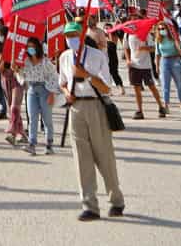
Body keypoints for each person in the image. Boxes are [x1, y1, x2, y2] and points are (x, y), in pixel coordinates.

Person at [59, 20, 124, 221]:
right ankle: (89, 205)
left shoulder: (97, 56)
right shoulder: (64, 57)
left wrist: (86, 75)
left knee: (104, 156)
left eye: (74, 35)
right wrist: (66, 94)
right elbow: (62, 82)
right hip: (76, 107)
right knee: (81, 158)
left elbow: (106, 88)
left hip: (96, 105)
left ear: (81, 36)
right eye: (67, 36)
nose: (71, 40)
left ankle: (116, 200)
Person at [19, 37, 59, 155]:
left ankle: (49, 144)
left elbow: (53, 76)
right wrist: (16, 69)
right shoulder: (26, 61)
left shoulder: (45, 61)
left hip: (44, 89)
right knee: (32, 118)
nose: (31, 49)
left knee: (47, 118)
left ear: (37, 47)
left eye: (33, 46)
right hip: (31, 89)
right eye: (29, 47)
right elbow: (22, 75)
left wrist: (52, 93)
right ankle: (32, 144)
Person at [123, 26, 165, 118]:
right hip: (134, 65)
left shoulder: (146, 34)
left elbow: (153, 48)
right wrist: (128, 60)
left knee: (152, 87)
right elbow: (126, 48)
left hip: (145, 65)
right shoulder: (127, 34)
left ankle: (161, 107)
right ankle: (139, 111)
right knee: (136, 89)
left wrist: (144, 48)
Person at [156, 18, 181, 113]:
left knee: (179, 84)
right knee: (165, 85)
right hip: (164, 61)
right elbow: (157, 54)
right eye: (160, 29)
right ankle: (166, 105)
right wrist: (157, 66)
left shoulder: (174, 37)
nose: (161, 30)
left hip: (175, 60)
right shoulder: (159, 40)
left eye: (163, 28)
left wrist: (177, 43)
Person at [0, 55, 24, 144]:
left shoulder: (22, 48)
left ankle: (12, 134)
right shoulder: (5, 48)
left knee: (14, 107)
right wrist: (6, 58)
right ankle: (22, 134)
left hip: (18, 80)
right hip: (6, 80)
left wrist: (16, 66)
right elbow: (0, 69)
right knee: (11, 108)